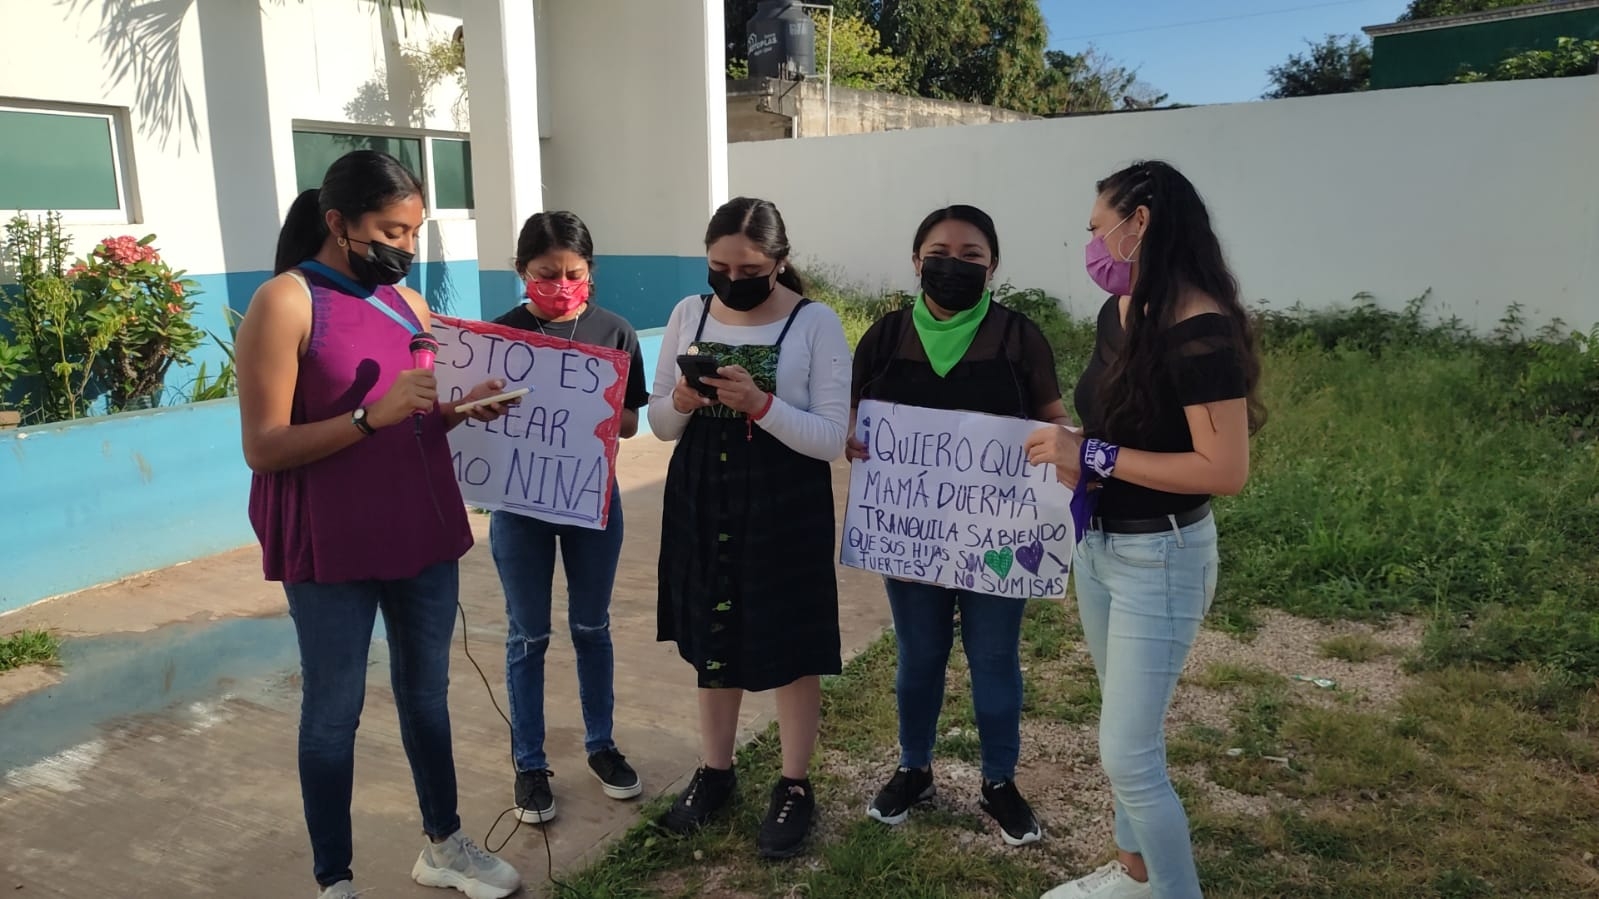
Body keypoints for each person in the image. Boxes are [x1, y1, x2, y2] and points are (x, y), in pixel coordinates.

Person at [236, 149, 523, 899]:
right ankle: (335, 880)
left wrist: (462, 411)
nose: (404, 247)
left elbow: (413, 420)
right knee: (334, 711)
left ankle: (444, 843)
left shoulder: (409, 306)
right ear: (338, 223)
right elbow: (263, 447)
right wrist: (369, 416)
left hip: (419, 532)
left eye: (414, 232)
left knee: (426, 693)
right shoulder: (287, 301)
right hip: (329, 543)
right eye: (389, 230)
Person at [1026, 160, 1264, 899]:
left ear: (1140, 224)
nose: (1090, 244)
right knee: (1125, 733)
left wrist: (1091, 453)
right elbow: (1112, 425)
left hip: (1160, 556)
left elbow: (1222, 469)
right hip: (1101, 549)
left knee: (1127, 755)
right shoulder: (1120, 312)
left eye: (1098, 227)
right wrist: (1071, 449)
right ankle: (1133, 875)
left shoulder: (1200, 330)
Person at [846, 204, 1072, 848]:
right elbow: (854, 419)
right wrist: (849, 440)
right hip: (911, 535)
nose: (954, 264)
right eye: (940, 252)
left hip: (1000, 539)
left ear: (992, 266)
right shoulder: (884, 338)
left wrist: (1067, 444)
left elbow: (1056, 420)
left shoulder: (1019, 337)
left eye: (971, 255)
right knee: (919, 657)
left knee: (994, 658)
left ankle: (999, 782)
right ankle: (913, 769)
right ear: (916, 261)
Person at [648, 196, 852, 859]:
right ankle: (716, 771)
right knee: (713, 627)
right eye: (717, 265)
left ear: (779, 262)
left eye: (748, 266)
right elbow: (659, 422)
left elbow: (829, 437)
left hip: (783, 490)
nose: (730, 278)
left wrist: (760, 403)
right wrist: (681, 398)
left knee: (790, 634)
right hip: (703, 487)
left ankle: (793, 783)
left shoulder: (814, 323)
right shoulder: (689, 314)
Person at [487, 211, 650, 825]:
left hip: (591, 504)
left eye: (572, 273)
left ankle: (601, 747)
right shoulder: (499, 335)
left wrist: (603, 415)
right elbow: (476, 419)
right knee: (528, 636)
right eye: (545, 274)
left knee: (591, 628)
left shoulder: (615, 332)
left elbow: (632, 422)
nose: (560, 285)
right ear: (522, 272)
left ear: (591, 272)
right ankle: (529, 764)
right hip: (521, 509)